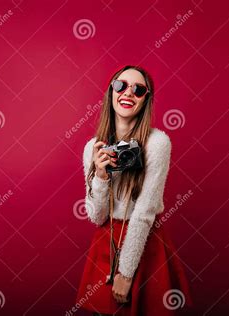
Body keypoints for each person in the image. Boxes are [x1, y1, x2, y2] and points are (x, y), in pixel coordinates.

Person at [76, 65, 193, 315]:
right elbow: (97, 216)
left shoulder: (157, 143)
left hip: (142, 241)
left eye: (138, 90)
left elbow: (145, 211)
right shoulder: (93, 148)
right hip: (106, 242)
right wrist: (99, 176)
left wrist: (126, 273)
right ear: (110, 92)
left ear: (145, 100)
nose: (127, 93)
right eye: (120, 85)